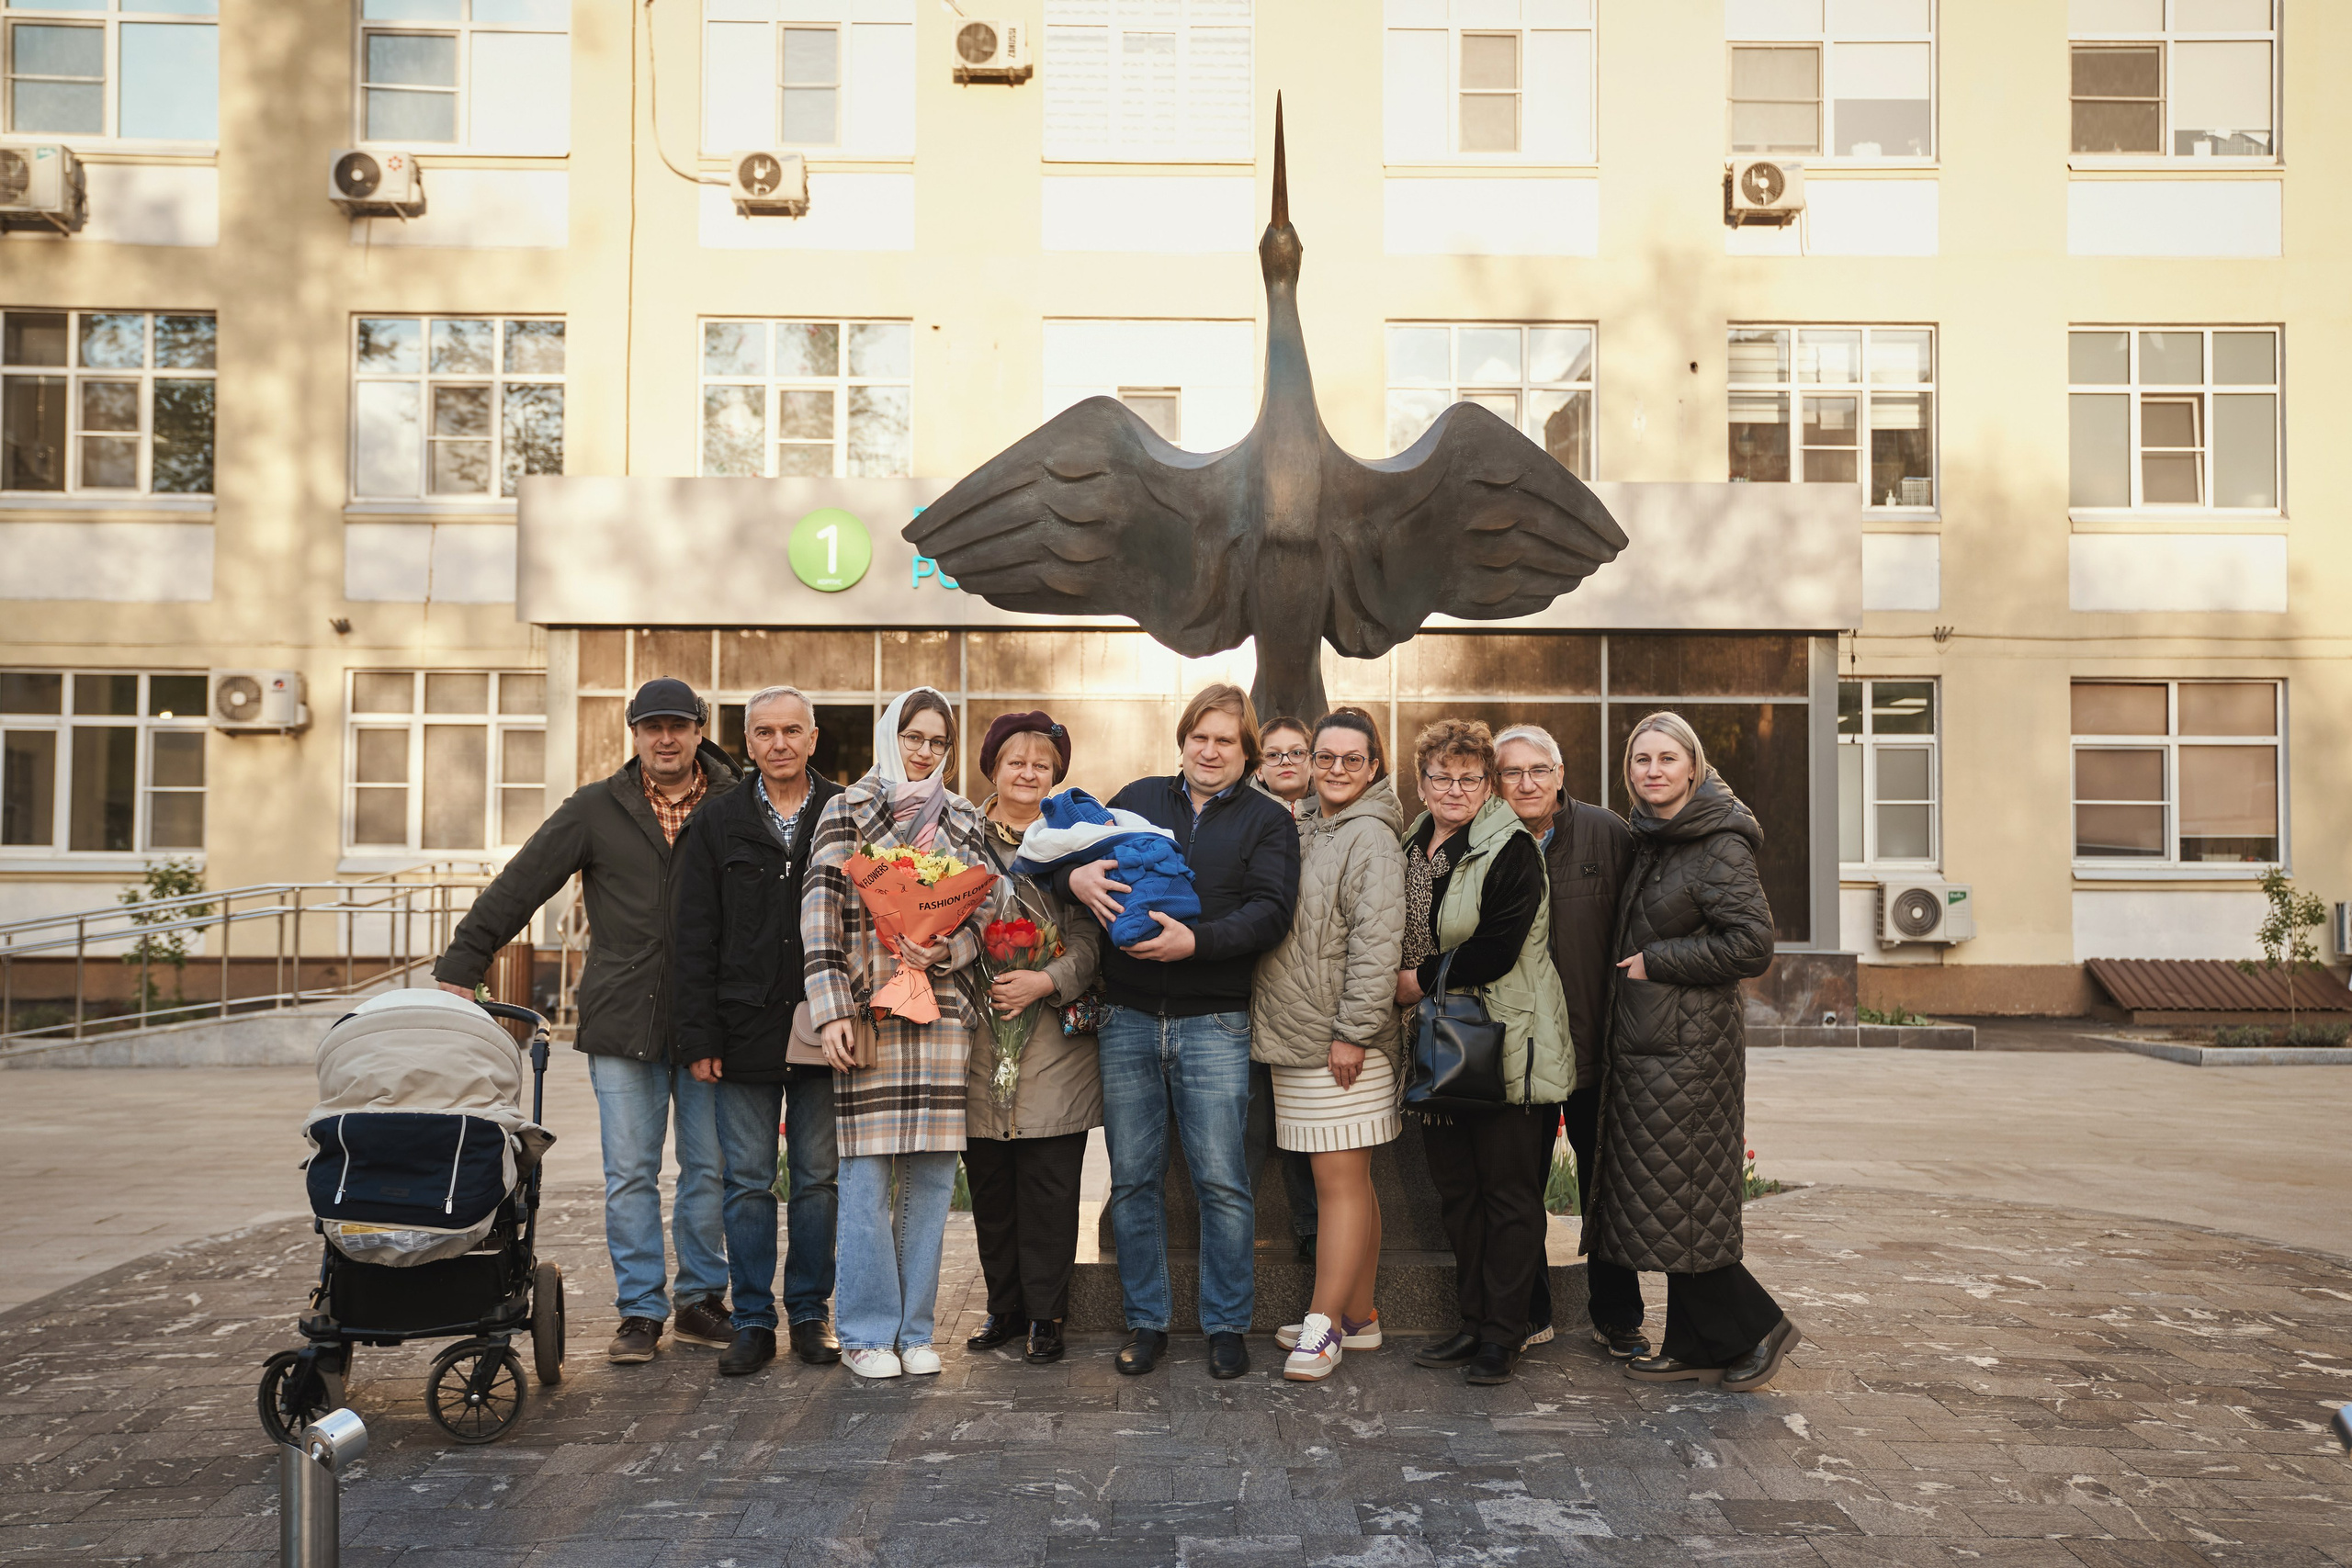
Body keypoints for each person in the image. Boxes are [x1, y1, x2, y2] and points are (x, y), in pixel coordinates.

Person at [435, 677, 739, 1365]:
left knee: (708, 1169)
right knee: (630, 1171)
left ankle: (700, 1299)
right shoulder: (596, 809)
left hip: (706, 1022)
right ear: (633, 734)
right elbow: (523, 881)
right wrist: (464, 960)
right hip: (622, 1019)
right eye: (651, 726)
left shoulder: (731, 801)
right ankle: (640, 1309)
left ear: (698, 730)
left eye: (679, 726)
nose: (666, 738)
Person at [1062, 683, 1301, 1381]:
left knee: (1223, 1181)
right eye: (1201, 735)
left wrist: (1193, 944)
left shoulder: (1266, 820)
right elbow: (1068, 856)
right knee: (1134, 1180)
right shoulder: (1136, 797)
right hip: (1127, 1016)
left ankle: (1226, 1324)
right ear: (1183, 738)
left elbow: (1270, 913)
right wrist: (1077, 877)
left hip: (1215, 1022)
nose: (1210, 749)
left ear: (1246, 750)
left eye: (1226, 739)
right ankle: (1147, 1320)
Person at [1586, 712, 1801, 1393]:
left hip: (1690, 1049)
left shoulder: (1717, 844)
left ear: (1694, 766)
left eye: (1666, 758)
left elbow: (1753, 944)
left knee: (1681, 1196)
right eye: (1640, 759)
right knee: (1675, 1198)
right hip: (1655, 1046)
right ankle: (1694, 1341)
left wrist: (1658, 959)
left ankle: (1755, 1326)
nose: (1652, 770)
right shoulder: (1657, 835)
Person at [802, 687, 993, 1380]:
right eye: (914, 736)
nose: (924, 751)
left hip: (941, 1018)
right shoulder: (846, 809)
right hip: (870, 1012)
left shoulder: (967, 817)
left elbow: (984, 910)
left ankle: (914, 1330)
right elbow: (818, 918)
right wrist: (831, 1012)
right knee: (865, 1177)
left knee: (933, 1180)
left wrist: (948, 949)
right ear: (892, 734)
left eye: (938, 741)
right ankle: (863, 1331)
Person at [672, 686, 844, 1375]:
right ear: (748, 743)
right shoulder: (716, 821)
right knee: (745, 1181)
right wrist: (700, 1038)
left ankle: (808, 1312)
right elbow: (691, 937)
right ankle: (751, 1319)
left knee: (818, 1179)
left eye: (792, 730)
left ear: (813, 736)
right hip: (740, 1031)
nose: (779, 743)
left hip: (821, 1027)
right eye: (765, 732)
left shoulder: (844, 811)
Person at [1397, 718, 1574, 1388]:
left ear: (1487, 783)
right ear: (1422, 781)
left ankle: (1506, 1333)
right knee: (1459, 1192)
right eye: (1440, 775)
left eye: (1470, 776)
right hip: (1437, 1041)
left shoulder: (1511, 848)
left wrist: (1419, 978)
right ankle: (1473, 1321)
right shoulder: (1415, 838)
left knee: (1508, 1193)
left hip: (1503, 1040)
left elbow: (1499, 946)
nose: (1454, 788)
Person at [1250, 708, 1406, 1382]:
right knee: (1351, 1184)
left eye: (1352, 758)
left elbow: (1377, 945)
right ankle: (1360, 1314)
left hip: (1338, 1042)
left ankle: (1323, 1325)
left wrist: (1351, 1033)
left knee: (1337, 1185)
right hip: (1300, 1034)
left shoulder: (1369, 834)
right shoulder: (1311, 823)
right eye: (1326, 756)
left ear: (1374, 765)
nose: (1336, 768)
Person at [1492, 724, 1645, 1360]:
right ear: (1497, 782)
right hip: (1516, 1050)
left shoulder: (1608, 833)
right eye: (1511, 772)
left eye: (1538, 770)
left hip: (1592, 1044)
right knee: (1517, 1184)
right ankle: (1530, 1314)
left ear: (1559, 773)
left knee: (1602, 1185)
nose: (1526, 783)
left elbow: (1638, 924)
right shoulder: (1487, 839)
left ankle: (1618, 1315)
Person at [960, 711, 1102, 1368]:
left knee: (1049, 1186)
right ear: (993, 767)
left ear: (1055, 776)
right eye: (1014, 760)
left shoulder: (1074, 841)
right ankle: (1004, 1306)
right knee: (990, 1183)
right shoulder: (956, 835)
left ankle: (1047, 1313)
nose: (1026, 772)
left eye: (1041, 763)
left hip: (1051, 1044)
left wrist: (1042, 981)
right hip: (978, 1038)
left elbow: (1090, 940)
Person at [1248, 716, 1324, 1262]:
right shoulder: (1241, 813)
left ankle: (1313, 1228)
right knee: (1247, 1122)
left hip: (1307, 997)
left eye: (1297, 752)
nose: (1286, 763)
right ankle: (1233, 1229)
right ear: (1258, 764)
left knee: (1305, 1128)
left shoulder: (1337, 817)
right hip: (1248, 990)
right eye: (1274, 754)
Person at [1252, 717, 1313, 816]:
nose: (1286, 761)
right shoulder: (1244, 816)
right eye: (1273, 755)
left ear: (1312, 764)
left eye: (1297, 753)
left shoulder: (1336, 812)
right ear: (1259, 770)